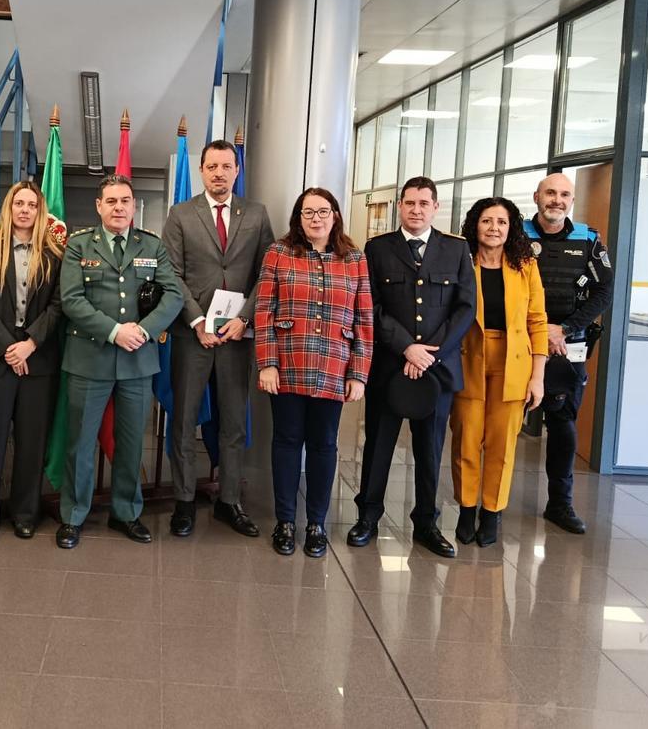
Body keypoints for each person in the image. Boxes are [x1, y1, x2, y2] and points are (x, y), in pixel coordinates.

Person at [348, 177, 475, 558]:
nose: (416, 210)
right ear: (399, 207)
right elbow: (370, 306)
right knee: (379, 446)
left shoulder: (456, 249)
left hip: (437, 370)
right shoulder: (378, 248)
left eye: (424, 203)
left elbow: (465, 308)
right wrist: (407, 348)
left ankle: (426, 523)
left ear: (436, 207)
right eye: (409, 203)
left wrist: (429, 353)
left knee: (429, 450)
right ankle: (367, 517)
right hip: (390, 367)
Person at [55, 175, 183, 549]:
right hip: (88, 358)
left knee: (130, 443)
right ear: (99, 206)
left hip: (137, 360)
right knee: (80, 444)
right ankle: (73, 516)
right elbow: (72, 300)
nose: (118, 208)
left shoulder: (151, 245)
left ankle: (126, 512)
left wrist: (142, 332)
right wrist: (114, 331)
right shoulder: (79, 246)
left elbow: (173, 295)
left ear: (133, 205)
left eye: (125, 201)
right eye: (111, 201)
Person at [161, 139, 275, 538]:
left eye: (227, 166)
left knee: (233, 422)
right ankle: (184, 502)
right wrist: (195, 321)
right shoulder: (180, 214)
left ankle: (229, 501)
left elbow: (267, 274)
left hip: (236, 336)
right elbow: (170, 274)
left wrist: (244, 320)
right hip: (193, 336)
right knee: (184, 420)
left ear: (236, 170)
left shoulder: (257, 215)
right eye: (212, 166)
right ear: (202, 171)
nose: (219, 173)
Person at [255, 188, 373, 557]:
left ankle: (317, 524)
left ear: (335, 216)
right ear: (298, 217)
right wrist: (267, 362)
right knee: (287, 442)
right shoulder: (279, 252)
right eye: (308, 213)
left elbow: (365, 318)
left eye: (323, 212)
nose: (316, 219)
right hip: (288, 363)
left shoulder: (353, 259)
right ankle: (286, 522)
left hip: (334, 367)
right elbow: (263, 311)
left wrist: (359, 373)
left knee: (324, 445)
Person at [0, 181, 65, 542]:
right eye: (18, 203)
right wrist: (10, 348)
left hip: (38, 363)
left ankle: (25, 513)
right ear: (8, 208)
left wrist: (30, 345)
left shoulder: (54, 255)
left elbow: (58, 306)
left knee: (31, 442)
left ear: (40, 211)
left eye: (32, 205)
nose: (24, 210)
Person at [451, 197, 548, 547]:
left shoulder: (525, 266)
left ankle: (492, 512)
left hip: (513, 362)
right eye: (487, 221)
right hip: (468, 359)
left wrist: (537, 376)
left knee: (501, 443)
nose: (494, 228)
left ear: (511, 228)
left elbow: (537, 321)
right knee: (467, 438)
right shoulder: (462, 261)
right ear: (475, 225)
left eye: (502, 222)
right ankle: (466, 508)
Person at [522, 172, 614, 535]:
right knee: (503, 423)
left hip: (567, 345)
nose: (556, 200)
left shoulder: (588, 239)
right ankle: (488, 503)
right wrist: (537, 331)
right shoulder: (516, 236)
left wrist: (566, 328)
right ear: (537, 197)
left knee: (562, 424)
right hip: (522, 343)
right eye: (550, 193)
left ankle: (560, 503)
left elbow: (604, 292)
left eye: (564, 194)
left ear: (571, 201)